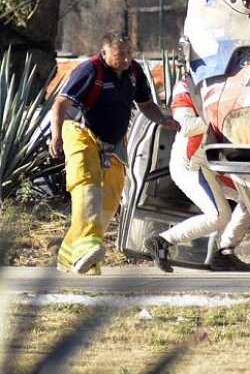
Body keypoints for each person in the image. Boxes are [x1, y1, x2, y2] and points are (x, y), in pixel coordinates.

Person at [49, 30, 181, 275]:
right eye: (120, 54)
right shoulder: (90, 70)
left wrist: (164, 120)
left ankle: (71, 256)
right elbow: (61, 104)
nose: (126, 58)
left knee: (111, 195)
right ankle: (87, 247)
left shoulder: (133, 73)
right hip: (80, 133)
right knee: (87, 188)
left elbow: (146, 105)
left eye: (129, 52)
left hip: (113, 141)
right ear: (105, 51)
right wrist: (55, 135)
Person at [144, 75, 250, 273]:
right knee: (219, 216)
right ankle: (161, 241)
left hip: (213, 164)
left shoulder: (230, 81)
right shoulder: (187, 86)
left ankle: (225, 253)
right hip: (191, 164)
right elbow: (185, 127)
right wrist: (217, 117)